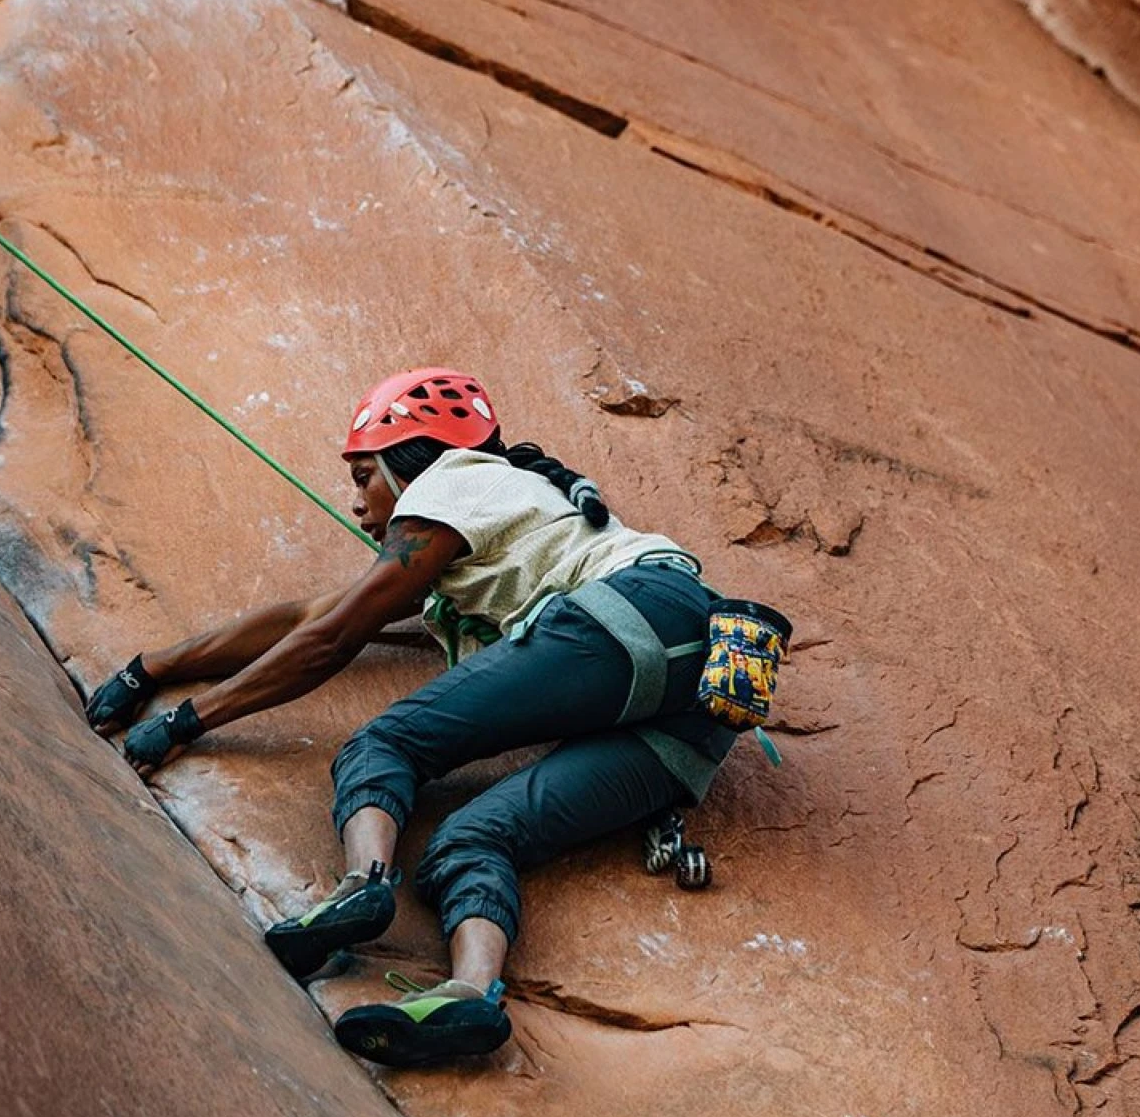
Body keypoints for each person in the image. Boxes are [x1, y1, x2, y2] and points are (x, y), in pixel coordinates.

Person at [86, 367, 737, 1068]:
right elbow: (312, 617)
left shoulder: (453, 484)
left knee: (385, 744)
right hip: (702, 704)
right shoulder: (507, 525)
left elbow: (329, 641)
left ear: (407, 463)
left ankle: (363, 887)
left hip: (620, 621)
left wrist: (187, 720)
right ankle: (469, 995)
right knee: (474, 839)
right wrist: (150, 668)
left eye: (363, 476)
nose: (358, 504)